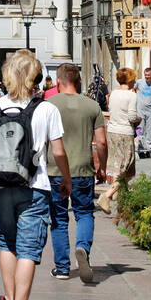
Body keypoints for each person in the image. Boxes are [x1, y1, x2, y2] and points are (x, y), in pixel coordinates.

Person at [0, 51, 70, 300]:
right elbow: (58, 151)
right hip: (35, 187)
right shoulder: (46, 109)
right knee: (29, 248)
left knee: (7, 243)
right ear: (36, 77)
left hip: (0, 185)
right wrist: (65, 178)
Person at [46, 63, 107, 283]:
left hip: (55, 169)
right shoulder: (92, 106)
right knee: (83, 213)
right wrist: (103, 167)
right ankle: (82, 247)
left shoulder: (48, 105)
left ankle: (62, 268)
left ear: (58, 81)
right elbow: (101, 141)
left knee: (59, 218)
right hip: (83, 168)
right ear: (79, 81)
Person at [96, 67, 140, 214]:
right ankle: (107, 195)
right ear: (130, 79)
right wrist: (139, 119)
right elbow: (132, 117)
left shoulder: (113, 93)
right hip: (125, 132)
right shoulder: (131, 95)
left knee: (118, 165)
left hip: (112, 131)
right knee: (126, 166)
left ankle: (119, 196)